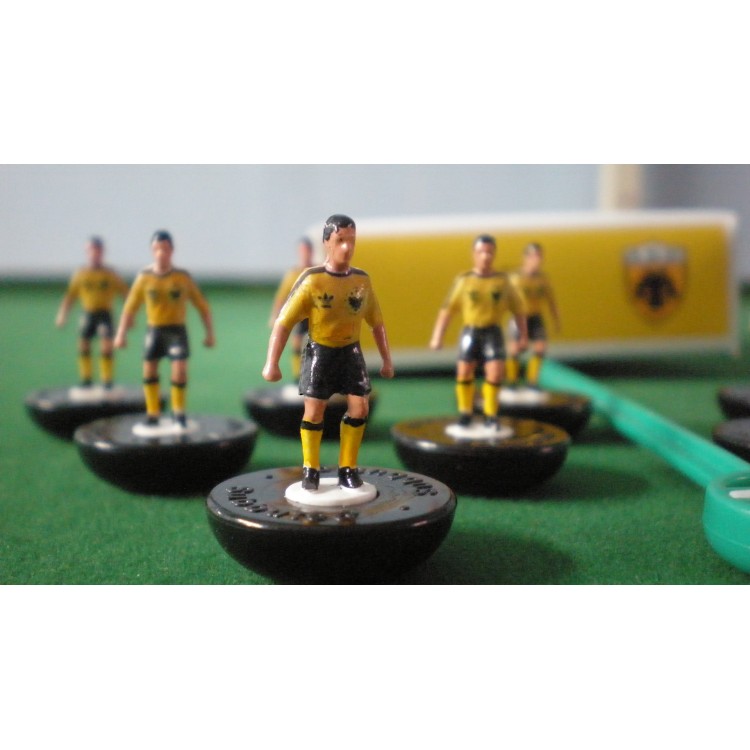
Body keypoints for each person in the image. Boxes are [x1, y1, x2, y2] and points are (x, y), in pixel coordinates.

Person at [263, 214, 394, 491]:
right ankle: (310, 468)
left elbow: (377, 323)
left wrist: (386, 359)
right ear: (327, 242)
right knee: (314, 410)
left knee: (360, 407)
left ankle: (348, 467)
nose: (347, 247)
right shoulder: (312, 280)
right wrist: (271, 362)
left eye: (351, 241)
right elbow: (284, 323)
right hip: (320, 352)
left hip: (351, 352)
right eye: (340, 240)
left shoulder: (362, 280)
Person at [114, 230, 215, 427]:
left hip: (176, 332)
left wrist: (209, 333)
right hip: (154, 331)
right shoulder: (144, 278)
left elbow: (202, 306)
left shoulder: (182, 278)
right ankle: (153, 412)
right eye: (157, 249)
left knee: (180, 370)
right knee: (149, 370)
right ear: (152, 251)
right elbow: (130, 308)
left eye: (165, 249)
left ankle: (179, 412)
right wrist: (120, 333)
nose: (161, 253)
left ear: (172, 251)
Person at [430, 234, 528, 426]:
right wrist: (437, 336)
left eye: (489, 252)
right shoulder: (464, 281)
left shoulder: (502, 281)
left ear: (494, 254)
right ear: (474, 254)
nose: (485, 256)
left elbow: (518, 310)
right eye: (481, 252)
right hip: (471, 332)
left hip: (493, 332)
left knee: (495, 373)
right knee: (464, 371)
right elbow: (447, 311)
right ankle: (465, 413)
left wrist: (523, 336)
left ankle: (491, 414)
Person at [55, 236, 129, 388]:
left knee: (106, 344)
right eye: (91, 250)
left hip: (105, 314)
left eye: (97, 250)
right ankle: (86, 379)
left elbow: (125, 294)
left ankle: (107, 380)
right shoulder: (81, 274)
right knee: (84, 344)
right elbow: (70, 297)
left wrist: (130, 315)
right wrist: (62, 315)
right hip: (88, 313)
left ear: (102, 252)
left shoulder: (110, 274)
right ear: (87, 252)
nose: (94, 254)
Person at [506, 242, 561, 388]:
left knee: (540, 348)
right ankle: (512, 382)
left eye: (539, 256)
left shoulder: (543, 279)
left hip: (535, 316)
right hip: (519, 318)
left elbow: (551, 300)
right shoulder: (515, 278)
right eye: (534, 256)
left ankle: (532, 382)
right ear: (526, 258)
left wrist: (556, 319)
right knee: (515, 349)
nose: (537, 260)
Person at [268, 237, 315, 379]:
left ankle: (315, 373)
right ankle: (297, 375)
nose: (305, 254)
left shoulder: (317, 272)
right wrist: (274, 315)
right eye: (302, 251)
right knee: (296, 342)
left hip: (315, 313)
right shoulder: (293, 274)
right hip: (300, 314)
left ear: (311, 252)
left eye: (307, 251)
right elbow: (281, 297)